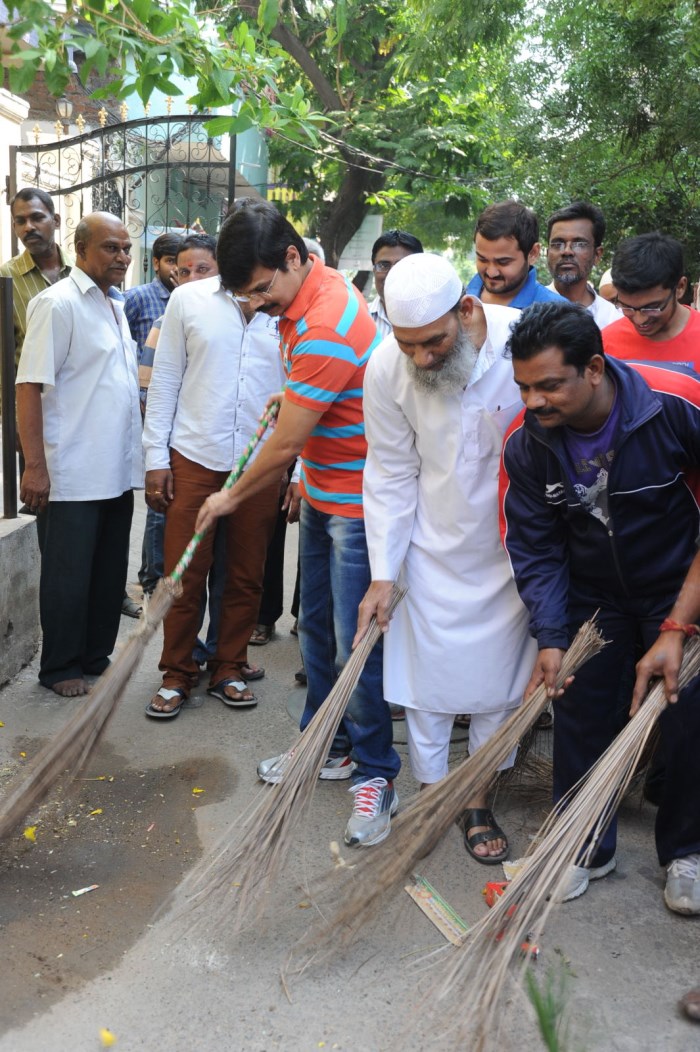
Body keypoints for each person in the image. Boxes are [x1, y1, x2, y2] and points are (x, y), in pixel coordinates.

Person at [195, 199, 401, 848]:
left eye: (262, 289)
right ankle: (325, 745)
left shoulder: (326, 321)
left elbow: (284, 444)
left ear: (292, 257)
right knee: (315, 630)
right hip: (322, 489)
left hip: (357, 506)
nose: (258, 305)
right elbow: (319, 405)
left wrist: (228, 498)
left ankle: (377, 771)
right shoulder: (304, 292)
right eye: (247, 297)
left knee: (355, 643)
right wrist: (296, 401)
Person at [500, 300, 700, 909]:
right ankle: (584, 846)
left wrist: (678, 624)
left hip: (680, 585)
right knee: (580, 710)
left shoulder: (675, 403)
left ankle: (688, 852)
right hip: (593, 594)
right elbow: (535, 547)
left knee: (688, 716)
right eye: (523, 386)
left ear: (593, 368)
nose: (533, 401)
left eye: (548, 385)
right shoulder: (527, 442)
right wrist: (552, 635)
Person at [356, 253, 536, 863]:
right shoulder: (387, 367)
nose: (422, 359)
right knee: (426, 686)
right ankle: (434, 793)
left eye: (433, 342)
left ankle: (476, 796)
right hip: (428, 548)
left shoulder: (521, 341)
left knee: (499, 688)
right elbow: (389, 472)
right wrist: (384, 573)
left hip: (511, 553)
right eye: (407, 344)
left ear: (466, 309)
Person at [142, 233, 285, 718]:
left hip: (259, 462)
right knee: (183, 571)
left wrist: (297, 468)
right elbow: (165, 380)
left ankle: (229, 666)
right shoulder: (189, 300)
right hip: (194, 455)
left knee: (246, 574)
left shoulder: (285, 309)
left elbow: (303, 389)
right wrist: (156, 458)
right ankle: (177, 671)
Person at [15, 212, 141, 697]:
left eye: (126, 248)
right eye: (111, 247)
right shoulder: (58, 303)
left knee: (107, 573)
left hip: (115, 467)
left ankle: (93, 655)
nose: (122, 257)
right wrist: (36, 466)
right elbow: (29, 386)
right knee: (67, 575)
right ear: (82, 249)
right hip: (72, 470)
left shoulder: (115, 305)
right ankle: (60, 666)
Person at [602, 232, 700, 370]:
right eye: (627, 307)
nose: (640, 320)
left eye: (651, 307)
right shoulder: (605, 344)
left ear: (679, 287)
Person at [0, 188, 72, 372]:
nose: (29, 227)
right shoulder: (6, 277)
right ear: (14, 227)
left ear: (56, 221)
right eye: (20, 221)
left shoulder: (81, 271)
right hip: (30, 389)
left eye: (37, 218)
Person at [466, 200, 564, 308]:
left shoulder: (559, 312)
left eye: (503, 262)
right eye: (482, 259)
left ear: (533, 253)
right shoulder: (458, 300)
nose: (491, 273)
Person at [545, 201, 621, 328]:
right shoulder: (523, 312)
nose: (567, 251)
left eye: (579, 244)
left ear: (597, 254)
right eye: (558, 244)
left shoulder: (613, 320)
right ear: (547, 253)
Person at [123, 232, 182, 360]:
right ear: (156, 263)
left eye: (181, 262)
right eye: (171, 261)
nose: (177, 268)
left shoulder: (191, 300)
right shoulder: (136, 297)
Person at [367, 229, 423, 339]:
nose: (392, 273)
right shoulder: (356, 319)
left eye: (402, 265)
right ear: (374, 270)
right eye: (384, 265)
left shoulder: (437, 320)